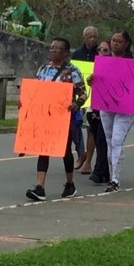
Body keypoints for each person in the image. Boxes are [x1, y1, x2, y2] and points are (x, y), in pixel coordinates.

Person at [25, 37, 87, 201]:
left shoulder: (72, 71)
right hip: (45, 115)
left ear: (66, 52)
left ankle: (69, 183)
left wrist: (76, 103)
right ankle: (40, 187)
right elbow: (36, 90)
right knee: (43, 149)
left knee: (64, 150)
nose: (53, 51)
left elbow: (83, 93)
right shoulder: (43, 69)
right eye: (51, 48)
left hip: (63, 116)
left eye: (57, 48)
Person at [89, 30, 134, 193]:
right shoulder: (104, 61)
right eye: (113, 40)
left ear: (126, 44)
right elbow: (96, 82)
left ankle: (115, 179)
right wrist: (91, 80)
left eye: (119, 41)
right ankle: (112, 176)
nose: (115, 43)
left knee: (117, 140)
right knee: (109, 142)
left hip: (125, 108)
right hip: (107, 106)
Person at [70, 27, 99, 170]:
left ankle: (88, 161)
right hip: (79, 95)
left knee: (90, 128)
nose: (92, 39)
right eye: (89, 36)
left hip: (95, 95)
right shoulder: (77, 54)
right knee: (75, 125)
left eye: (94, 36)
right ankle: (81, 153)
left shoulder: (101, 53)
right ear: (84, 38)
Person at [86, 39, 111, 184]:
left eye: (105, 50)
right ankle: (105, 172)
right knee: (97, 138)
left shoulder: (113, 67)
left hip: (108, 109)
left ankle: (98, 171)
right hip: (94, 108)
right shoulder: (94, 67)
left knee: (103, 140)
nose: (101, 52)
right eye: (100, 50)